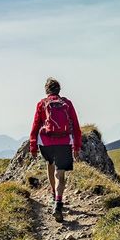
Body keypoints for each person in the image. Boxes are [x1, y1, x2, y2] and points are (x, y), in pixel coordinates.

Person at [29, 77, 82, 220]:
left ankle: (53, 194)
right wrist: (76, 147)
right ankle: (58, 202)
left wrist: (33, 146)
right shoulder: (67, 103)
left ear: (47, 90)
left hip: (46, 142)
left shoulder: (42, 104)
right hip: (64, 142)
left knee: (50, 165)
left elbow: (35, 126)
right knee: (61, 174)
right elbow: (76, 127)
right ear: (59, 90)